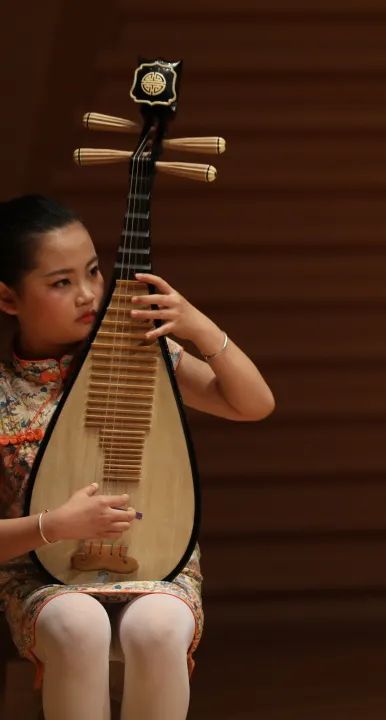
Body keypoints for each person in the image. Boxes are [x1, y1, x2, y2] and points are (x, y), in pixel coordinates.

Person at [0, 194, 274, 720]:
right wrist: (52, 526)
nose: (88, 294)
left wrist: (196, 326)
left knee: (159, 627)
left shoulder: (139, 353)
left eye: (93, 271)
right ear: (8, 299)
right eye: (61, 283)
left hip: (158, 564)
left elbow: (252, 404)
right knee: (78, 623)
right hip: (43, 578)